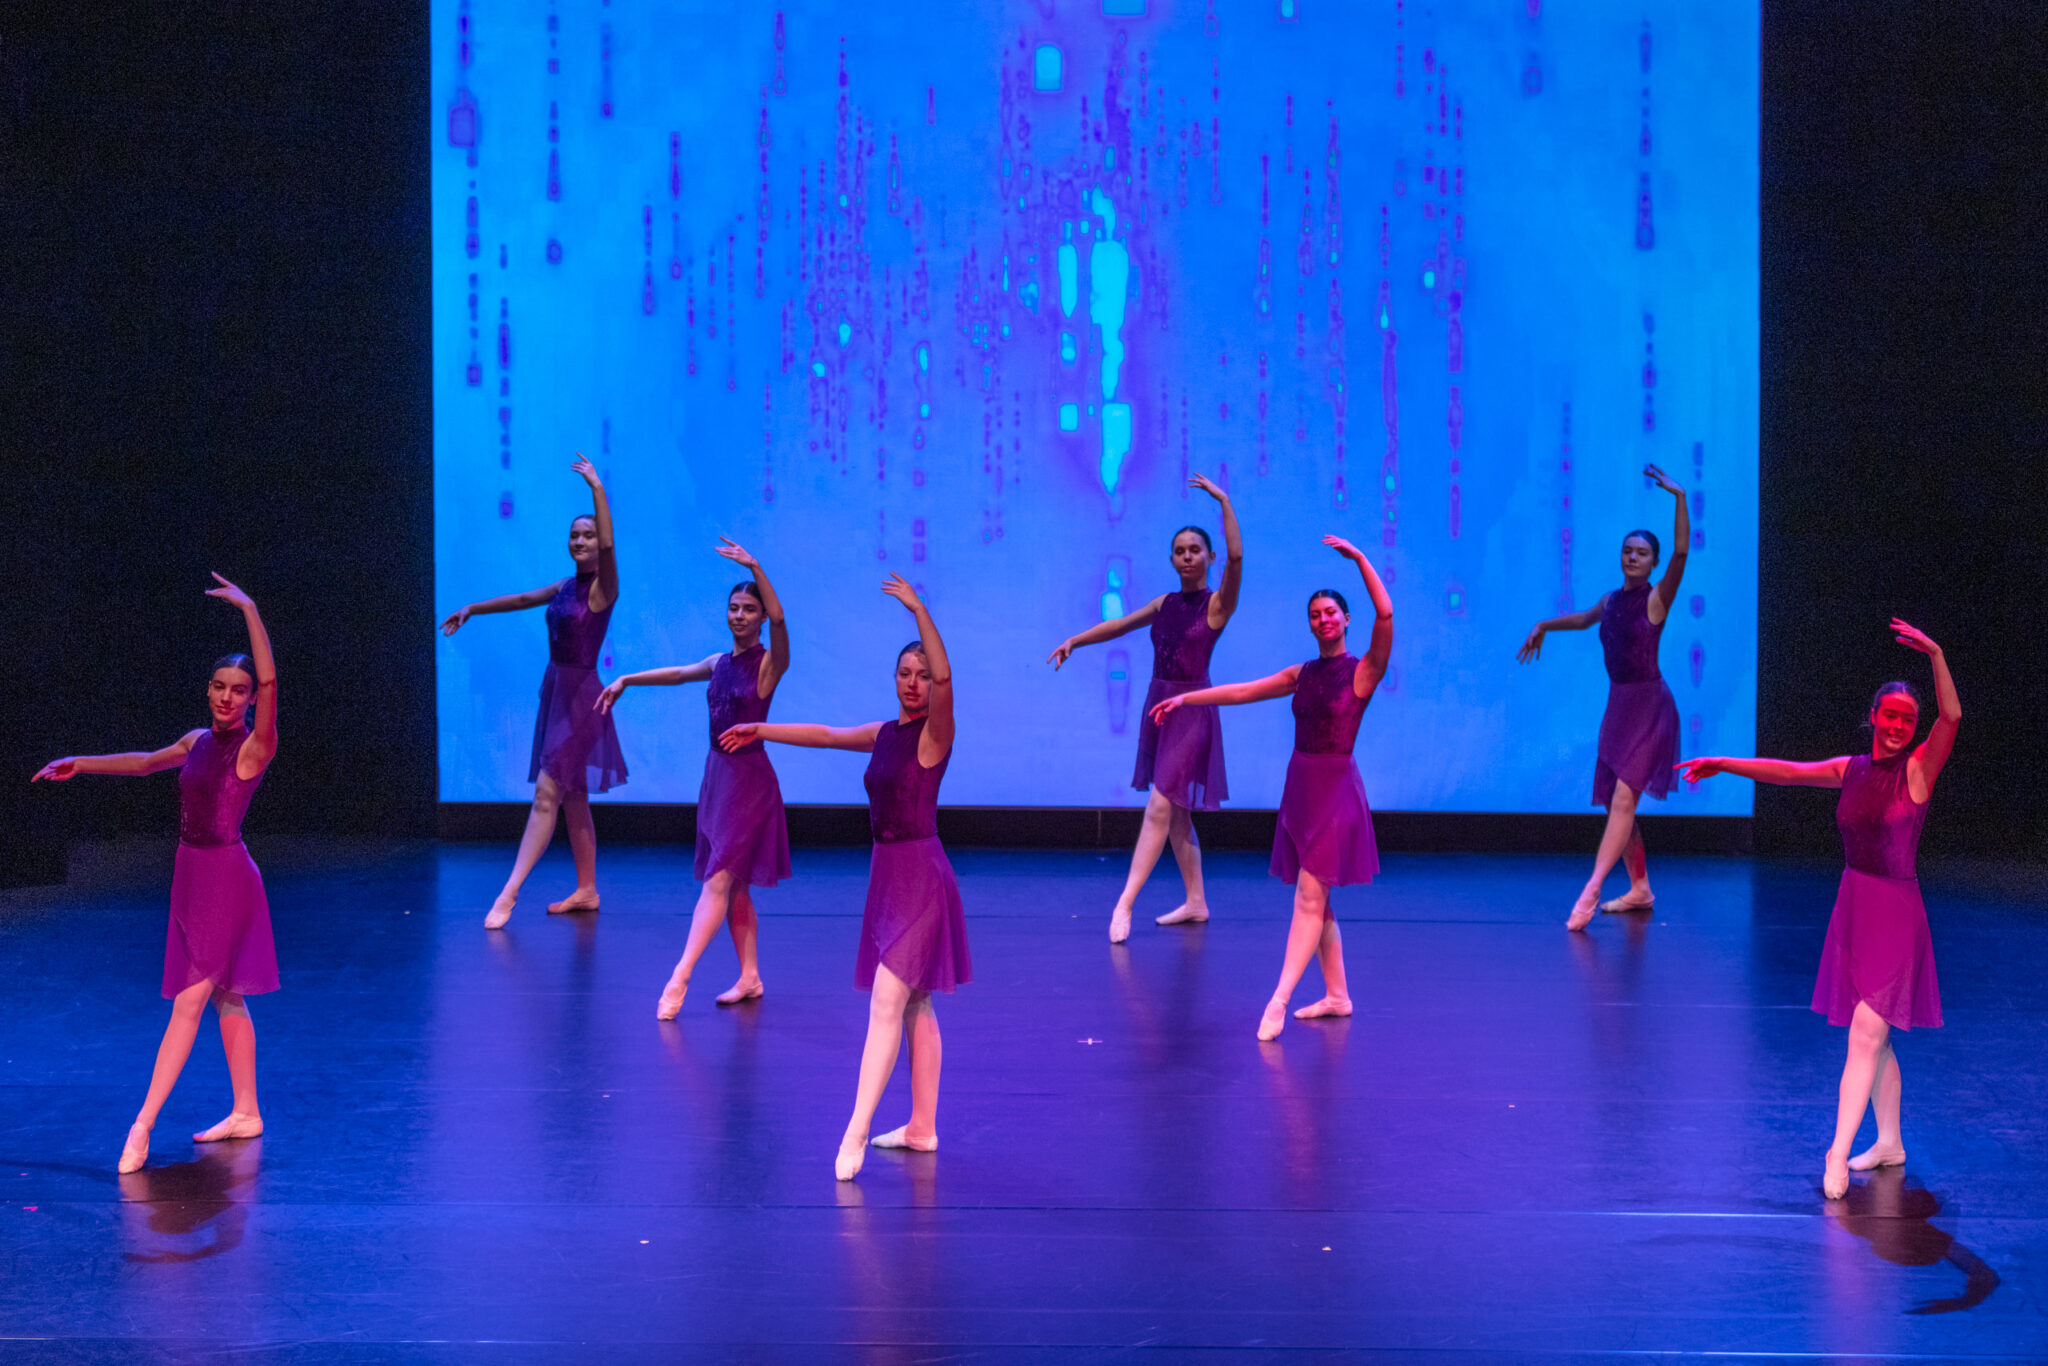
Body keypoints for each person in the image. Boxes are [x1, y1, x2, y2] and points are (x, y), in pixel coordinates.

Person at [1678, 619, 1959, 1200]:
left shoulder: (1918, 771)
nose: (1900, 726)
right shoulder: (1851, 769)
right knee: (1874, 1038)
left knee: (1864, 1033)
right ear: (1874, 717)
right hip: (1854, 904)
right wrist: (1727, 764)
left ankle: (1835, 1152)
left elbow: (1951, 718)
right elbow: (1787, 772)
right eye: (1891, 716)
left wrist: (1934, 653)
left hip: (1896, 912)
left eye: (1909, 719)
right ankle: (1890, 1143)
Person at [717, 574, 967, 1180]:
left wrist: (918, 612)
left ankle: (854, 1133)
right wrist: (762, 729)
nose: (914, 683)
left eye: (920, 674)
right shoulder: (885, 735)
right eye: (903, 674)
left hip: (921, 878)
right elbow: (827, 736)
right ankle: (923, 1126)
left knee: (889, 1001)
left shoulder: (937, 735)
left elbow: (946, 678)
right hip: (888, 877)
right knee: (917, 1004)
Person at [34, 575, 280, 1173]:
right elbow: (147, 763)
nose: (227, 698)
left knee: (190, 1004)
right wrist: (81, 765)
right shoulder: (197, 740)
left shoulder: (255, 748)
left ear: (252, 699)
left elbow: (273, 679)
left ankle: (141, 1126)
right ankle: (246, 1109)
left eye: (239, 691)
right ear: (209, 691)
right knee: (226, 993)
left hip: (226, 879)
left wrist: (248, 609)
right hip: (191, 874)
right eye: (220, 688)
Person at [1151, 536, 1392, 1041]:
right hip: (1301, 789)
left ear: (1346, 620)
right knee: (1318, 902)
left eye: (1331, 612)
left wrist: (1362, 561)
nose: (1323, 619)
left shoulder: (1362, 673)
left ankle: (1278, 999)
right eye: (1315, 614)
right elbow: (1243, 691)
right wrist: (1186, 700)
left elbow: (1386, 616)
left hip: (1336, 793)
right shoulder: (1302, 674)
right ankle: (1338, 995)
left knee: (1308, 897)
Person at [598, 540, 791, 1017]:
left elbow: (784, 624)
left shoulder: (768, 665)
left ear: (762, 616)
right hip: (717, 779)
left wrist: (756, 566)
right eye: (734, 608)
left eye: (750, 609)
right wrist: (626, 679)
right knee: (736, 885)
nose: (741, 615)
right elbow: (680, 673)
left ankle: (679, 976)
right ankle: (750, 976)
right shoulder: (718, 663)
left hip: (749, 784)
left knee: (718, 881)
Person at [1049, 474, 1243, 942]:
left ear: (1209, 557)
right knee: (1177, 814)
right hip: (1160, 706)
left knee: (1160, 805)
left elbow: (1237, 557)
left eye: (1196, 550)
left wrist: (1223, 501)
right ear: (1172, 559)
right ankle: (1196, 901)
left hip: (1192, 708)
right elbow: (1119, 624)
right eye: (1180, 551)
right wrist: (1077, 639)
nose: (1187, 556)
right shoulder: (1165, 602)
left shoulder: (1217, 604)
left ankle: (1125, 903)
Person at [441, 457, 626, 928]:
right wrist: (473, 609)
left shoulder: (603, 590)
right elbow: (524, 599)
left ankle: (509, 892)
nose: (580, 542)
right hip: (557, 691)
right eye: (574, 536)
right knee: (573, 797)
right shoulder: (566, 586)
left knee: (548, 794)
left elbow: (608, 543)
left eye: (586, 536)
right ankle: (587, 889)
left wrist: (596, 489)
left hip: (582, 698)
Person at [1517, 464, 1689, 930]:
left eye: (1642, 553)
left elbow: (1681, 553)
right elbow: (1582, 620)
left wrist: (1678, 497)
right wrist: (1543, 626)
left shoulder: (1657, 599)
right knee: (1618, 798)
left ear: (1652, 563)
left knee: (1623, 801)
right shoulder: (1612, 601)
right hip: (1618, 708)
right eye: (1628, 551)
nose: (1633, 557)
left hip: (1650, 708)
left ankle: (1591, 889)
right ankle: (1640, 888)